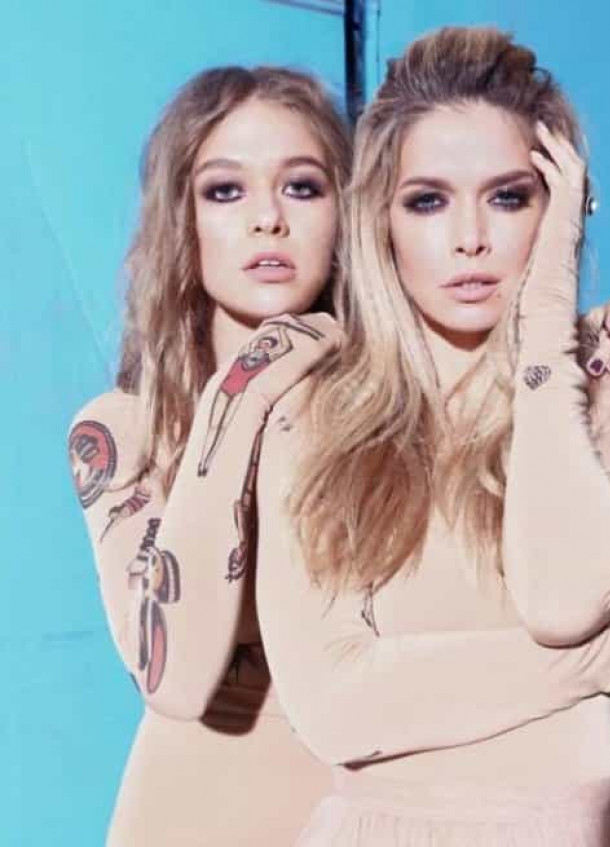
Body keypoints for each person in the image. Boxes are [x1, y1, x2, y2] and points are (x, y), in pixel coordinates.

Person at [253, 27, 610, 846]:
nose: (470, 238)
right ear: (380, 219)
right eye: (428, 200)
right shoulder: (309, 414)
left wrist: (548, 312)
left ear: (559, 209)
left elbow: (564, 599)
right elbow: (334, 708)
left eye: (509, 197)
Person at [67, 65, 349, 846]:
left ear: (344, 214)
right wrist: (241, 390)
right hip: (188, 815)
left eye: (302, 187)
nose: (268, 219)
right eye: (226, 190)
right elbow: (173, 677)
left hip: (371, 810)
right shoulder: (123, 430)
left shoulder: (390, 413)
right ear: (182, 223)